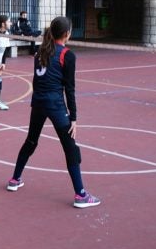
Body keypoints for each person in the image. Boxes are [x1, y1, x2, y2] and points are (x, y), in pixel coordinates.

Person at [6, 16, 100, 209]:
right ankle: (81, 195)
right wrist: (73, 117)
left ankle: (15, 180)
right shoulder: (67, 54)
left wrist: (39, 99)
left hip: (39, 102)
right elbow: (70, 89)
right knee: (70, 148)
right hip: (55, 104)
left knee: (31, 141)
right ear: (67, 34)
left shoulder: (40, 51)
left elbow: (36, 80)